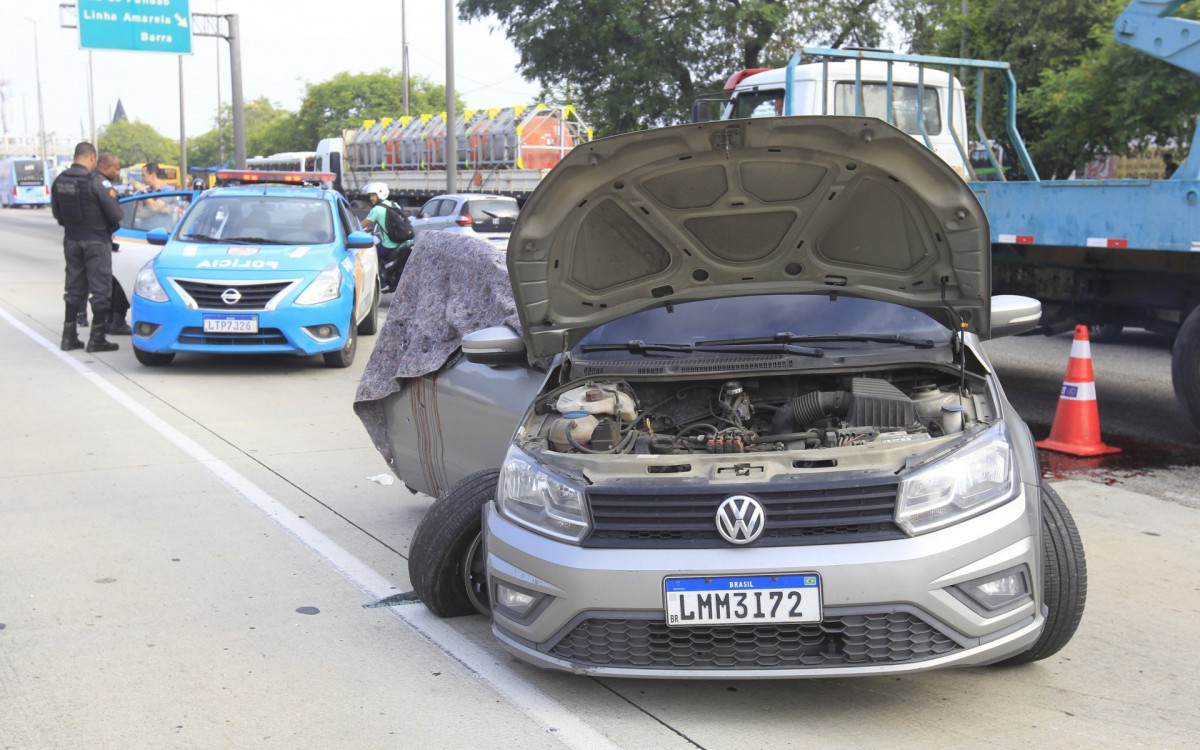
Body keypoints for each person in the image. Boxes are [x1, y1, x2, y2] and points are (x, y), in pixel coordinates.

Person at [50, 143, 123, 352]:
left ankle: (68, 336)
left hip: (72, 239)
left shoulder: (59, 180)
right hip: (96, 241)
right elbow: (116, 214)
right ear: (92, 158)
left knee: (74, 287)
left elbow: (57, 214)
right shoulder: (96, 182)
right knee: (101, 289)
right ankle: (97, 339)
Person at [94, 153, 132, 336]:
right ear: (107, 166)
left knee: (98, 283)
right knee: (107, 284)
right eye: (116, 168)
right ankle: (107, 326)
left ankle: (107, 321)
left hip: (82, 237)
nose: (117, 172)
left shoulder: (87, 181)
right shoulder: (104, 185)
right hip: (103, 239)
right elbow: (116, 215)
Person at [361, 182, 413, 293]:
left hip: (389, 245)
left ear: (380, 194)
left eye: (373, 195)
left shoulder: (377, 210)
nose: (371, 198)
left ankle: (383, 282)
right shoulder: (394, 205)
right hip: (402, 242)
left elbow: (361, 225)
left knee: (372, 253)